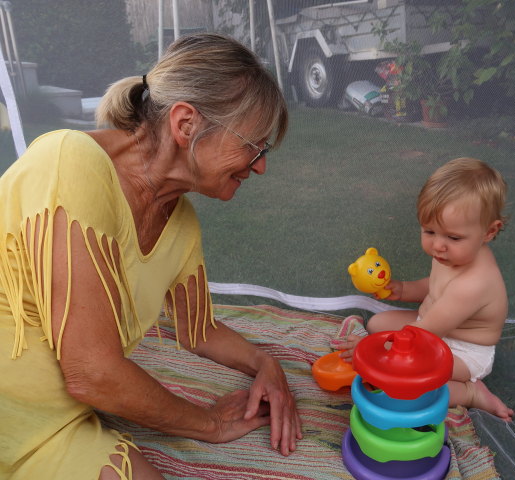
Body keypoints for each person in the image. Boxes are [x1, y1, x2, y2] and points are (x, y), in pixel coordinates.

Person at [0, 33, 302, 480]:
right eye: (253, 145)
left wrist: (266, 364)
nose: (259, 165)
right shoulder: (72, 161)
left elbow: (197, 328)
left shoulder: (179, 222)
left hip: (57, 427)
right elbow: (94, 373)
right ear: (185, 124)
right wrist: (210, 424)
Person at [336, 158, 515, 422]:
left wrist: (375, 350)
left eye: (453, 237)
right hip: (430, 328)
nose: (438, 245)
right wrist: (403, 289)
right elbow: (435, 287)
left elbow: (425, 333)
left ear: (489, 232)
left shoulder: (474, 284)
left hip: (464, 352)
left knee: (408, 384)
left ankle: (470, 392)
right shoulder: (450, 255)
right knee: (377, 322)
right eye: (429, 231)